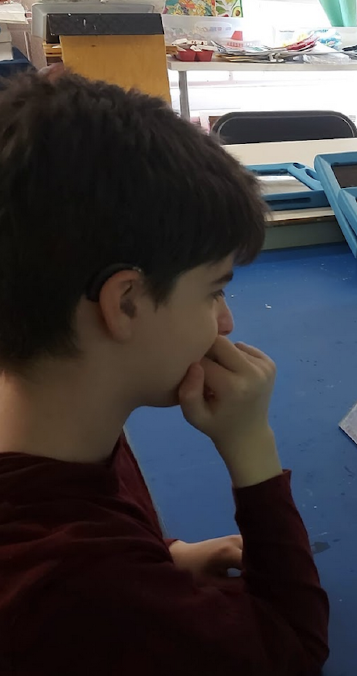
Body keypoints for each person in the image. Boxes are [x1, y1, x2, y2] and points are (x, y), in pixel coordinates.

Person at [0, 72, 329, 674]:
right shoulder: (84, 595)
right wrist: (252, 449)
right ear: (124, 302)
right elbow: (291, 652)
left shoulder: (53, 422)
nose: (225, 323)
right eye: (213, 292)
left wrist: (164, 559)